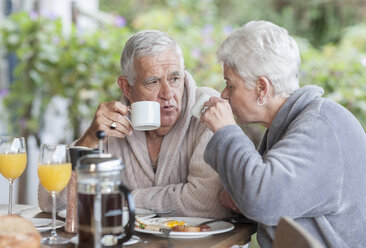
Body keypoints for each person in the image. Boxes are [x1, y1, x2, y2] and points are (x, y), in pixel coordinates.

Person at [200, 20, 366, 247]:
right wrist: (242, 195)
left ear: (262, 88)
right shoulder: (294, 123)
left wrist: (226, 130)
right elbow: (256, 199)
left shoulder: (321, 126)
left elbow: (263, 201)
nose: (223, 94)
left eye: (230, 85)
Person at [39, 30, 229, 218]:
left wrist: (122, 198)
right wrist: (87, 142)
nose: (168, 93)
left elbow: (207, 202)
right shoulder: (113, 122)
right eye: (153, 82)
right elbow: (51, 200)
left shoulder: (208, 109)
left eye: (175, 79)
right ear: (127, 88)